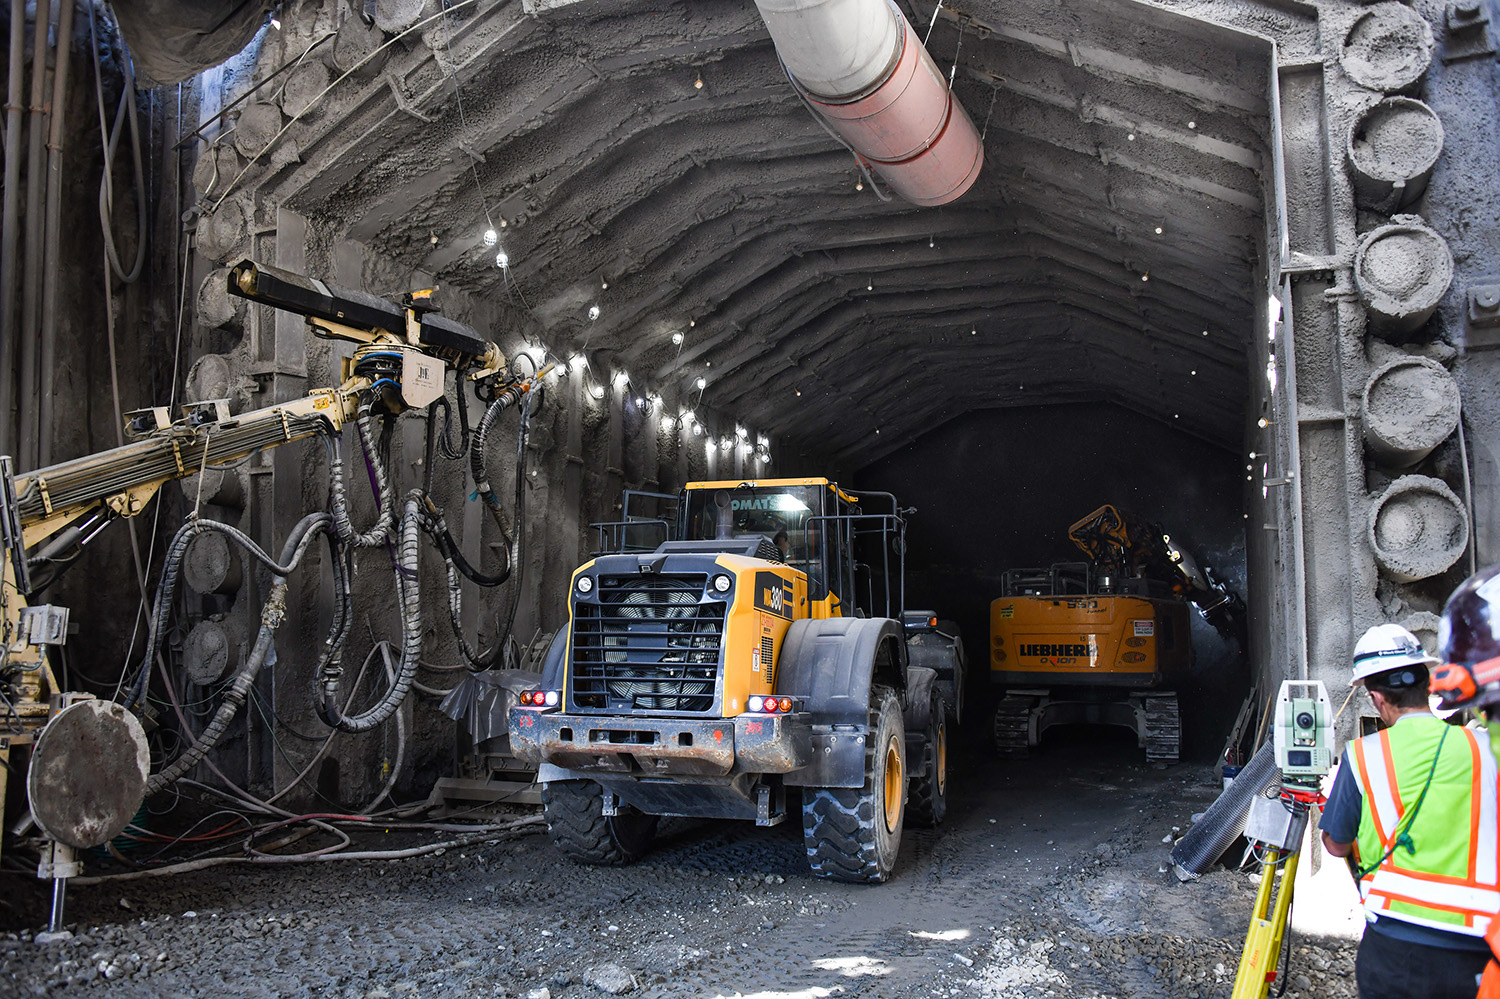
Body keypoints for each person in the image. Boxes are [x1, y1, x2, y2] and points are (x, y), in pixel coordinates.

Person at [1319, 622, 1498, 999]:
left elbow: (1336, 845)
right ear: (1427, 684)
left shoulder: (1364, 756)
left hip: (1396, 944)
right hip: (1478, 945)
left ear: (1377, 698)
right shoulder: (1485, 750)